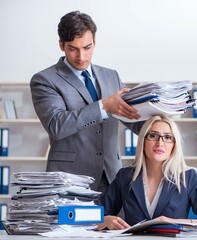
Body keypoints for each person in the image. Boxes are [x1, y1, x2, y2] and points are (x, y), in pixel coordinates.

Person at [30, 11, 144, 193]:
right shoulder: (45, 80)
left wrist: (160, 115)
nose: (81, 56)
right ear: (61, 45)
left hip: (112, 178)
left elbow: (132, 117)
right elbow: (57, 125)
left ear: (95, 42)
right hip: (70, 181)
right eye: (73, 48)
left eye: (87, 47)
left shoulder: (111, 76)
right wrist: (104, 106)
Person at [97, 115, 197, 230]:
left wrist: (174, 222)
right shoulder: (125, 176)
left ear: (174, 144)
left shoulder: (187, 177)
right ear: (143, 141)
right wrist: (105, 220)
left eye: (168, 137)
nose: (160, 143)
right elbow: (96, 214)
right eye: (153, 136)